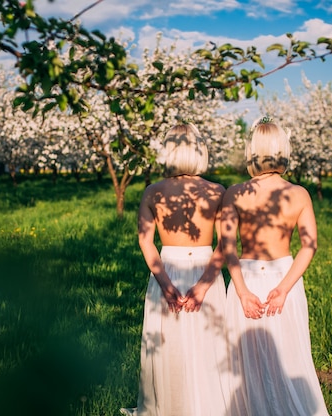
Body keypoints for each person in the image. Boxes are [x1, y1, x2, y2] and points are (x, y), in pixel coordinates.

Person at [221, 116, 329, 415]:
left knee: (247, 360)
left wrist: (241, 292)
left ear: (252, 151)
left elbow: (228, 246)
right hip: (286, 277)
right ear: (283, 150)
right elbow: (309, 246)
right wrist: (282, 289)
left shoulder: (236, 192)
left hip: (246, 276)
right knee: (290, 353)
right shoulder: (299, 193)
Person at [121, 123, 230, 416]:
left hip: (166, 268)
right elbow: (226, 243)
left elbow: (146, 241)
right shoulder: (217, 191)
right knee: (210, 343)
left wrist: (166, 284)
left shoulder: (152, 192)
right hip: (206, 269)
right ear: (199, 151)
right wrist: (205, 284)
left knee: (168, 344)